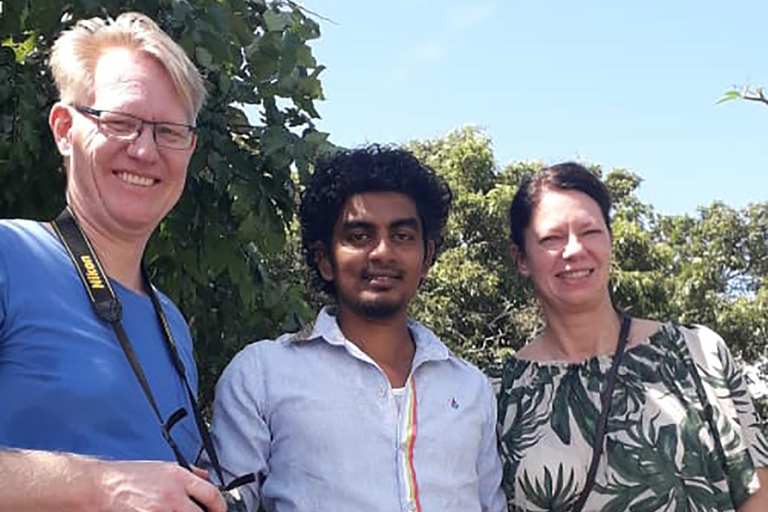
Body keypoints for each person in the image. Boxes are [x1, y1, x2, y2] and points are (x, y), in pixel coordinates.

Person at [0, 12, 226, 512]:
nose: (144, 150)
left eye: (168, 131)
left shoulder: (173, 326)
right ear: (64, 129)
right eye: (121, 122)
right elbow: (122, 488)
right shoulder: (8, 256)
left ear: (190, 148)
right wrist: (100, 485)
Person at [209, 145, 506, 512]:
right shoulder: (262, 376)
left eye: (402, 236)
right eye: (360, 236)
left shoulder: (470, 387)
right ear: (324, 259)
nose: (383, 252)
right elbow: (225, 503)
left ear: (427, 257)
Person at [497, 162, 768, 511]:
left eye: (590, 231)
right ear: (521, 258)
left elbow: (757, 493)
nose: (575, 249)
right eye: (552, 238)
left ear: (610, 240)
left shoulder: (697, 354)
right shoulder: (498, 395)